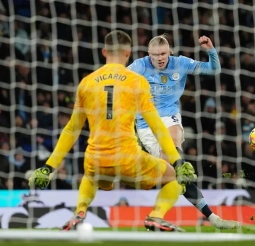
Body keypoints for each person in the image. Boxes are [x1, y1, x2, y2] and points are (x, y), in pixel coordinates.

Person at [28, 30, 196, 232]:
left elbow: (72, 129)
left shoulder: (86, 83)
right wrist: (177, 161)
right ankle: (156, 217)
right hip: (129, 159)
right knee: (174, 179)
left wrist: (48, 168)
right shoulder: (136, 80)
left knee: (90, 177)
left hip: (97, 160)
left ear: (104, 52)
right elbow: (157, 127)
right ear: (128, 53)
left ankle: (79, 213)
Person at [127, 34, 240, 229]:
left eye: (163, 53)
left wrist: (210, 50)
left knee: (173, 150)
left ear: (169, 51)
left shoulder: (181, 63)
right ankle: (212, 219)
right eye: (155, 55)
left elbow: (215, 69)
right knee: (176, 176)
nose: (160, 58)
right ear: (148, 54)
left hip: (169, 116)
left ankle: (176, 170)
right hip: (146, 123)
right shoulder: (139, 66)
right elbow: (118, 80)